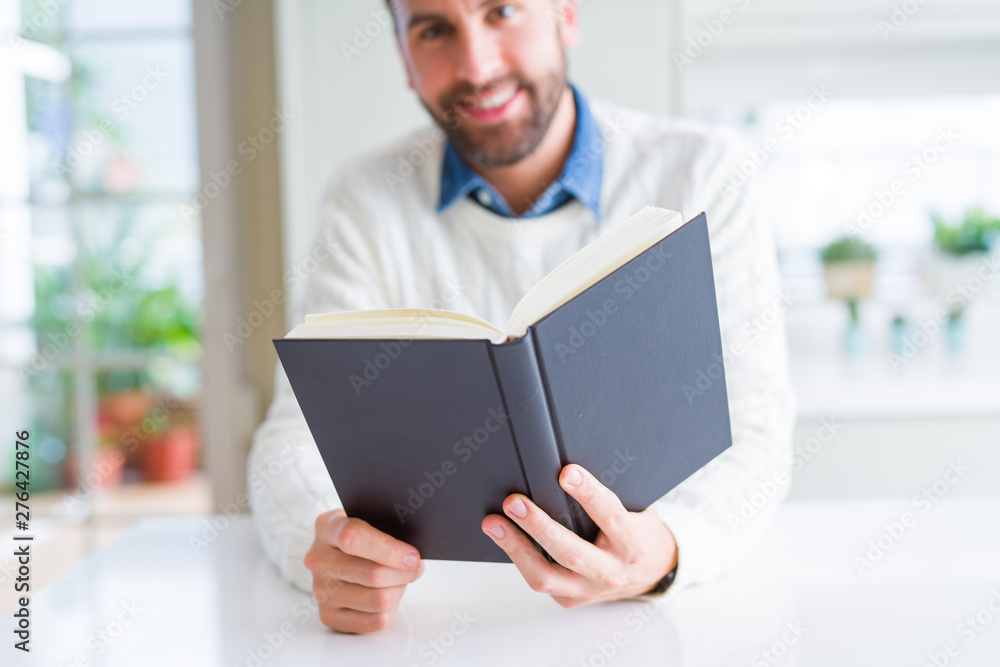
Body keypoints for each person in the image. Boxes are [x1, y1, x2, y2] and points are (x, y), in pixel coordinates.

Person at [248, 0, 796, 635]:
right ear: (402, 55)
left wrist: (666, 553)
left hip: (658, 626)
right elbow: (293, 438)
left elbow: (755, 427)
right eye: (433, 29)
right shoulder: (364, 198)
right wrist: (327, 551)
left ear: (566, 14)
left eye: (502, 11)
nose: (477, 65)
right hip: (440, 624)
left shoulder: (705, 174)